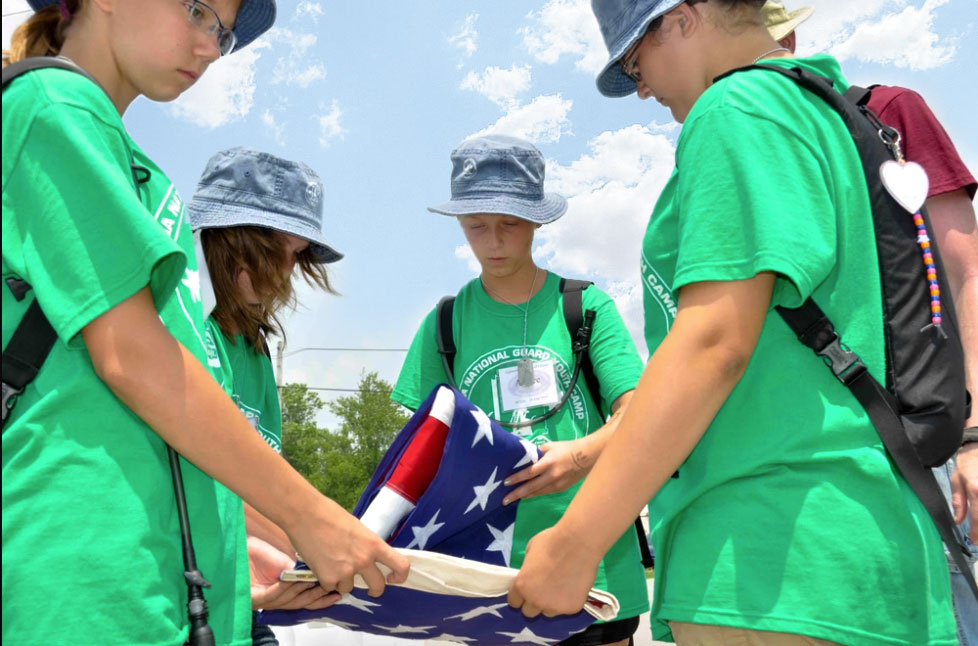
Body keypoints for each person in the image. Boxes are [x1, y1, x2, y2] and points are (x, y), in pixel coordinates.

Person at [508, 1, 959, 644]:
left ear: (685, 18)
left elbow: (713, 344)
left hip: (767, 557)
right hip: (864, 539)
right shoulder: (821, 106)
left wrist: (576, 541)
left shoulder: (735, 108)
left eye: (636, 61)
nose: (640, 89)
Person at [1, 2, 409, 645]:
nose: (212, 47)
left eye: (221, 32)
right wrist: (310, 515)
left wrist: (242, 564)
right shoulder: (55, 102)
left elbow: (164, 436)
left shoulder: (129, 162)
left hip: (161, 581)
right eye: (198, 11)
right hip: (86, 579)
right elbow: (131, 357)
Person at [764, 5, 978, 642]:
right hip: (823, 468)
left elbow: (966, 272)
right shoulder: (743, 153)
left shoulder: (889, 112)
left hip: (935, 441)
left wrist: (973, 434)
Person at [392, 134, 650, 646]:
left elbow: (642, 414)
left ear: (536, 220)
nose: (493, 242)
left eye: (509, 224)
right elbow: (421, 449)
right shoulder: (444, 324)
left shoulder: (586, 307)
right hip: (482, 576)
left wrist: (578, 457)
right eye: (476, 226)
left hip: (595, 561)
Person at [188, 148, 346, 644]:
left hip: (237, 604)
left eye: (298, 255)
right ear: (228, 240)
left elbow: (254, 483)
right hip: (182, 598)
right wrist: (318, 538)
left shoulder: (254, 346)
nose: (287, 271)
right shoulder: (180, 327)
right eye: (279, 250)